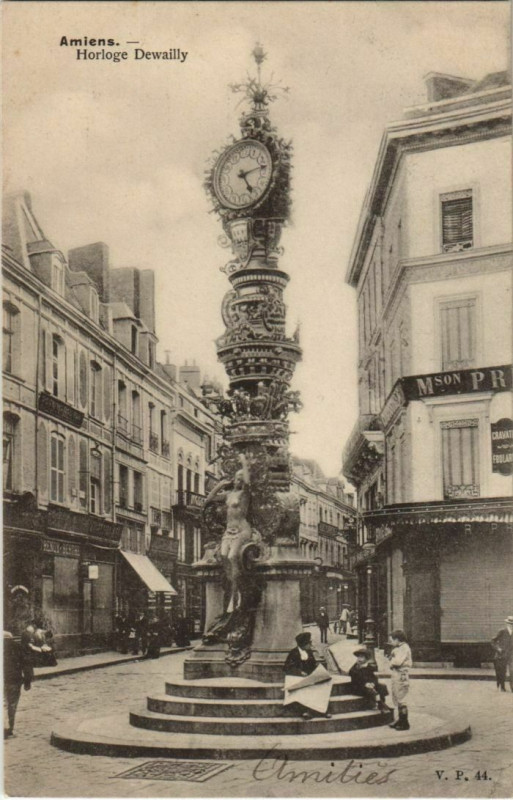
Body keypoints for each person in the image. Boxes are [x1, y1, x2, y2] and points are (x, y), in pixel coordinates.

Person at [203, 453, 253, 614]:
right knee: (223, 556)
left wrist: (243, 461)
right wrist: (220, 485)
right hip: (228, 531)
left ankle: (237, 593)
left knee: (232, 557)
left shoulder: (244, 494)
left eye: (240, 478)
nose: (239, 480)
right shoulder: (229, 495)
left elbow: (247, 481)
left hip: (242, 530)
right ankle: (234, 587)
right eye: (236, 478)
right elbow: (209, 500)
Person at [283, 632, 332, 720]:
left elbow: (312, 664)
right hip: (297, 678)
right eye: (309, 643)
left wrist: (317, 667)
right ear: (303, 644)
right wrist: (299, 672)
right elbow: (287, 667)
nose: (311, 645)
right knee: (304, 690)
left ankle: (324, 710)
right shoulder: (294, 653)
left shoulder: (309, 652)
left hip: (309, 677)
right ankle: (305, 711)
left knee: (323, 685)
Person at [3, 631, 33, 738]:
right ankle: (8, 729)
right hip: (14, 681)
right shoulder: (17, 647)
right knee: (11, 705)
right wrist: (27, 681)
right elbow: (27, 664)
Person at [349, 648, 390, 712]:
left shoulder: (369, 667)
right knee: (371, 690)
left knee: (382, 686)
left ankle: (382, 702)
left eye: (362, 657)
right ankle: (381, 704)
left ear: (366, 659)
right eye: (359, 657)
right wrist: (365, 684)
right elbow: (355, 679)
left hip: (369, 685)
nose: (359, 659)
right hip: (358, 687)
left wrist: (373, 683)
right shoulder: (355, 668)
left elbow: (374, 678)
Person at [387, 629, 412, 730]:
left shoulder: (403, 648)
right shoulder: (399, 648)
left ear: (397, 639)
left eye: (392, 640)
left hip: (401, 674)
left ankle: (404, 722)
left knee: (401, 698)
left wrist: (391, 661)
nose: (391, 642)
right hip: (396, 673)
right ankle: (399, 719)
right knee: (396, 696)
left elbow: (397, 662)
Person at [491, 615, 513, 692]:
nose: (511, 625)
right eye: (510, 624)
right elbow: (493, 641)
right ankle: (502, 686)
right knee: (502, 671)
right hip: (502, 655)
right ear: (507, 624)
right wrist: (498, 649)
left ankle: (512, 687)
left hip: (511, 655)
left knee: (512, 670)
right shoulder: (502, 631)